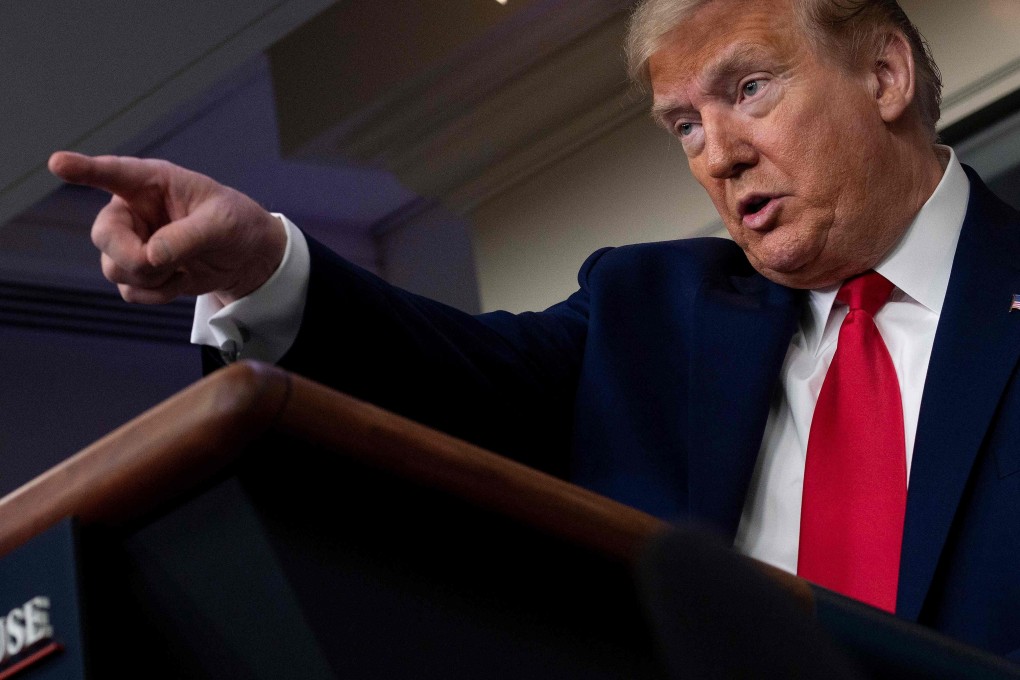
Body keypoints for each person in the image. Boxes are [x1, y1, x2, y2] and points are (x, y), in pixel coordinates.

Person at [48, 0, 1020, 660]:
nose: (718, 154)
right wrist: (261, 259)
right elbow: (448, 375)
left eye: (748, 89)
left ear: (885, 73)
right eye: (682, 124)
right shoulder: (648, 312)